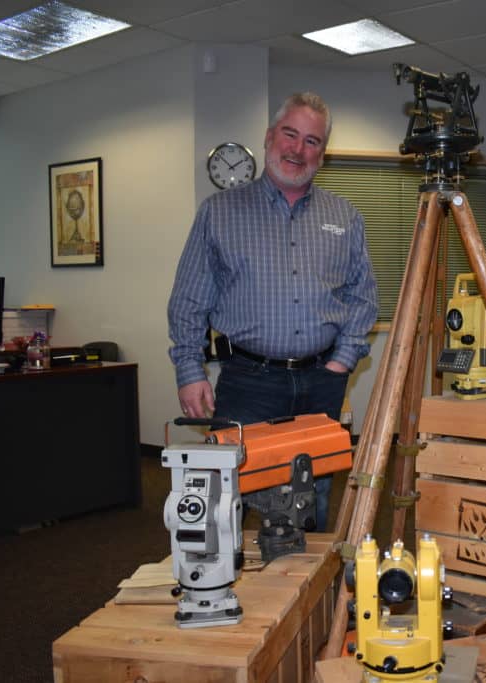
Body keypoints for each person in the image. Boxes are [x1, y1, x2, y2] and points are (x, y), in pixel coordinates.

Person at [168, 92, 378, 530]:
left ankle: (308, 592)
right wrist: (189, 371)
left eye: (312, 141)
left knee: (313, 491)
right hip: (248, 382)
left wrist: (343, 359)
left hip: (322, 380)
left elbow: (364, 297)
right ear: (268, 137)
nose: (297, 150)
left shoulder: (345, 216)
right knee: (231, 496)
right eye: (290, 134)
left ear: (323, 152)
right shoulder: (219, 213)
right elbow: (189, 301)